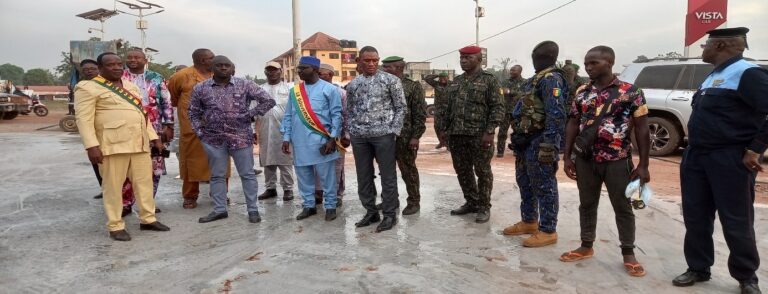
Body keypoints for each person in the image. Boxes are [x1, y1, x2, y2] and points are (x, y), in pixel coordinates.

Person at [673, 27, 766, 294]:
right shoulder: (715, 74)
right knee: (696, 215)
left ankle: (747, 277)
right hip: (696, 157)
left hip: (729, 159)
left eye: (706, 45)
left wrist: (754, 149)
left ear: (722, 45)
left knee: (736, 219)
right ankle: (698, 268)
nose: (703, 49)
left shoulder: (748, 73)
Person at [560, 46, 651, 277]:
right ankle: (586, 245)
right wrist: (568, 156)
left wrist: (643, 165)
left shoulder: (631, 92)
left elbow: (642, 129)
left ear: (609, 62)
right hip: (585, 160)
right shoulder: (582, 91)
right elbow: (573, 122)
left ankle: (628, 253)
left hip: (617, 160)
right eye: (587, 63)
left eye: (594, 63)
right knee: (587, 204)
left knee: (622, 206)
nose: (589, 67)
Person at [75, 52, 170, 241]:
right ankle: (115, 225)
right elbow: (83, 120)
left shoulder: (130, 86)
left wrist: (154, 138)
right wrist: (91, 146)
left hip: (139, 143)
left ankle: (148, 219)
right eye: (111, 65)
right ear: (101, 68)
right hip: (112, 145)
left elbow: (142, 116)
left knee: (144, 184)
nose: (117, 67)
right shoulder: (87, 87)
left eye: (119, 64)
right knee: (113, 187)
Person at [189, 56, 275, 224]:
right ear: (212, 68)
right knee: (217, 176)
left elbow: (268, 100)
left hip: (241, 137)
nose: (223, 68)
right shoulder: (200, 88)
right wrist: (200, 133)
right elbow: (193, 112)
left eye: (226, 65)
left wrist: (249, 115)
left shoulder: (245, 84)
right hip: (213, 139)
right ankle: (219, 209)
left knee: (248, 174)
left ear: (232, 68)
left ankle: (253, 210)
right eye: (219, 65)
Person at [504, 41, 568, 247]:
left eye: (538, 57)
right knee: (524, 181)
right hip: (525, 140)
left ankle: (548, 230)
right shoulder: (534, 80)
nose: (536, 60)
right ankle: (529, 220)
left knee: (544, 185)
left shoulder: (552, 79)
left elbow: (556, 114)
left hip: (541, 140)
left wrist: (549, 144)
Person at [438, 45, 504, 223]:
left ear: (479, 59)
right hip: (457, 134)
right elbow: (448, 108)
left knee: (482, 171)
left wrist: (490, 131)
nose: (463, 61)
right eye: (461, 58)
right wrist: (444, 130)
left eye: (468, 58)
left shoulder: (489, 80)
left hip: (479, 135)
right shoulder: (457, 81)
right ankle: (471, 202)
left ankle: (484, 206)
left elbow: (498, 107)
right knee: (462, 170)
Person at [346, 46, 406, 232]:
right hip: (360, 137)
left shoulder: (391, 80)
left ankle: (389, 215)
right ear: (360, 61)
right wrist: (352, 130)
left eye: (375, 60)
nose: (371, 64)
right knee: (363, 176)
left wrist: (393, 131)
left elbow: (401, 108)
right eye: (367, 60)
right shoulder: (354, 84)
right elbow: (350, 109)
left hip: (383, 136)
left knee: (387, 176)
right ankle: (371, 212)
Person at [281, 56, 343, 221]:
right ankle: (309, 205)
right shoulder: (295, 92)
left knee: (327, 177)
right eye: (299, 69)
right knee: (303, 175)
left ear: (316, 70)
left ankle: (330, 206)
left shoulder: (329, 89)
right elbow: (288, 115)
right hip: (299, 142)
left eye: (304, 68)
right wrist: (286, 138)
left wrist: (332, 138)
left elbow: (337, 116)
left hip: (322, 141)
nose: (300, 71)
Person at [169, 48, 229, 209]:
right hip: (192, 128)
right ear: (202, 60)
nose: (215, 60)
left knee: (221, 162)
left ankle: (219, 193)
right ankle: (190, 196)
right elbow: (174, 99)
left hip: (218, 127)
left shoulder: (219, 75)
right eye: (211, 58)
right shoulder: (181, 76)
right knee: (191, 163)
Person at [119, 48, 174, 215]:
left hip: (155, 128)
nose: (133, 60)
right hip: (126, 128)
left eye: (137, 57)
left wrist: (168, 125)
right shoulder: (119, 77)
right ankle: (125, 203)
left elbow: (166, 102)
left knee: (154, 168)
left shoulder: (156, 78)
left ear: (145, 60)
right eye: (130, 57)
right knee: (127, 168)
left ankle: (148, 202)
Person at [382, 56, 427, 215]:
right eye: (384, 67)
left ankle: (414, 201)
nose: (384, 69)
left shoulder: (412, 86)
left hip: (405, 136)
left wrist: (416, 136)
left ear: (399, 68)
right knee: (386, 170)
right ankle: (390, 200)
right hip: (383, 136)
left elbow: (420, 113)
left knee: (408, 170)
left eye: (388, 67)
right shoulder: (381, 84)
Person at [255, 61, 295, 202]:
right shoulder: (259, 89)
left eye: (275, 70)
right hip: (265, 129)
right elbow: (254, 112)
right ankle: (270, 188)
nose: (272, 73)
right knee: (268, 160)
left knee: (285, 160)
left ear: (281, 72)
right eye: (269, 70)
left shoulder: (290, 88)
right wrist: (254, 130)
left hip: (284, 130)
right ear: (265, 72)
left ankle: (288, 189)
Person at [313, 63, 350, 208]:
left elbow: (347, 115)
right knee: (316, 165)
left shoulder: (341, 92)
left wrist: (347, 135)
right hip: (316, 134)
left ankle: (337, 195)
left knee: (336, 166)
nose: (319, 76)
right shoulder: (311, 91)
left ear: (330, 75)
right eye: (318, 73)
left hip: (337, 136)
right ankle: (318, 192)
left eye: (322, 73)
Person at [78, 59, 106, 200]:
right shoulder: (82, 87)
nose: (89, 71)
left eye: (92, 68)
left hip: (108, 131)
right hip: (93, 132)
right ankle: (104, 188)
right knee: (97, 162)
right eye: (85, 69)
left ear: (99, 69)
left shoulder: (108, 85)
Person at [497, 65, 525, 158]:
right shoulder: (505, 81)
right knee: (502, 132)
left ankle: (516, 150)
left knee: (518, 132)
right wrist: (503, 91)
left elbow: (523, 94)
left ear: (520, 71)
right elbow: (500, 91)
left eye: (514, 70)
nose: (511, 72)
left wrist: (509, 91)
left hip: (518, 112)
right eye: (511, 70)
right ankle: (500, 151)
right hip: (505, 111)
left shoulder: (524, 82)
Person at [423, 72, 450, 149]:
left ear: (448, 78)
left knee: (448, 127)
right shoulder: (436, 84)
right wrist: (438, 75)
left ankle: (448, 143)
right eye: (441, 78)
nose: (443, 80)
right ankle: (441, 142)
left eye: (444, 78)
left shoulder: (452, 84)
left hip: (449, 109)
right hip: (438, 109)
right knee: (437, 126)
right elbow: (427, 78)